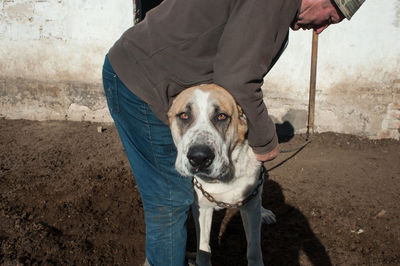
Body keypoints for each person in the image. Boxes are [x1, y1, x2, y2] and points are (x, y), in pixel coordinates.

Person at [102, 0, 365, 265]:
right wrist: (266, 143)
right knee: (169, 200)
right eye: (330, 18)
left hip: (153, 75)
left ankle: (164, 254)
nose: (320, 29)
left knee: (175, 193)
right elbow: (237, 79)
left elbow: (228, 70)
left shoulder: (279, 11)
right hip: (138, 80)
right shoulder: (274, 4)